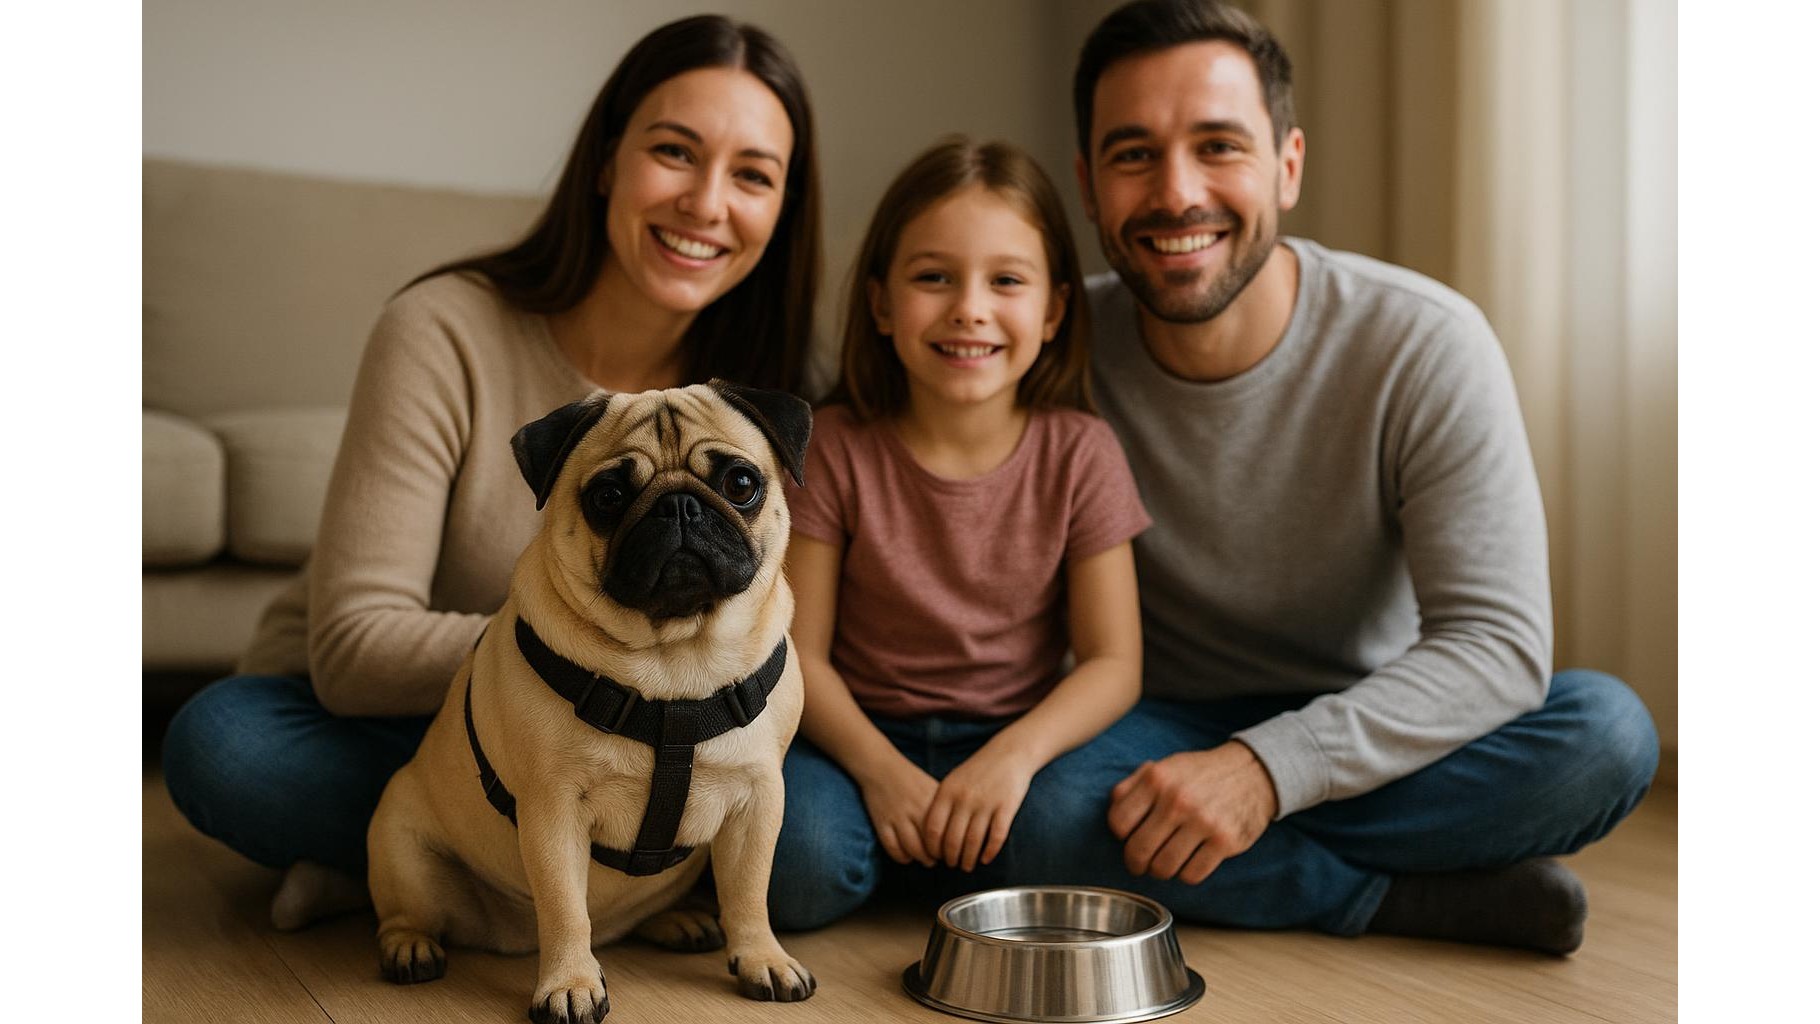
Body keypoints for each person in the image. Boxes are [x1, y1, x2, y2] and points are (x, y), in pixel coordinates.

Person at [995, 0, 1659, 956]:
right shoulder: (1048, 348)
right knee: (1041, 818)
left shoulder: (1423, 342)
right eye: (1133, 154)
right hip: (1157, 733)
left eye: (1218, 145)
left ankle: (1251, 861)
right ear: (1089, 187)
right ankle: (1391, 899)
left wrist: (1265, 773)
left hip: (1376, 721)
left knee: (1606, 736)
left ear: (1288, 165)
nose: (1176, 191)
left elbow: (1499, 646)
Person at [160, 14, 823, 930]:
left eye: (753, 175)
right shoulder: (444, 330)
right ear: (605, 161)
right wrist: (590, 669)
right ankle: (438, 864)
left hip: (680, 733)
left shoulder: (766, 393)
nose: (708, 202)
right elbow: (354, 650)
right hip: (396, 720)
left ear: (782, 209)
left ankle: (499, 890)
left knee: (822, 848)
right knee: (228, 749)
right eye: (675, 152)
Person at [766, 137, 1152, 930]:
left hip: (1012, 736)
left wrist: (1012, 759)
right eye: (933, 277)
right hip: (853, 731)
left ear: (1052, 311)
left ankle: (940, 847)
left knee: (1066, 837)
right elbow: (797, 653)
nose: (969, 308)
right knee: (795, 864)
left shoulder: (1082, 452)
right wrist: (879, 773)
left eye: (1006, 281)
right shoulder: (835, 444)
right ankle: (922, 845)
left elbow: (1114, 663)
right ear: (880, 304)